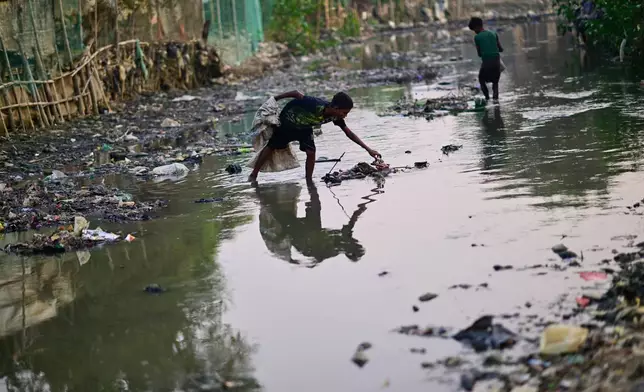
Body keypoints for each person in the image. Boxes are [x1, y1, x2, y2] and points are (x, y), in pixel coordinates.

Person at [248, 91, 381, 182]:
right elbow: (295, 93)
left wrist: (368, 149)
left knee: (311, 152)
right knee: (272, 146)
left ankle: (308, 181)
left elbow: (349, 133)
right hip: (288, 122)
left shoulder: (335, 116)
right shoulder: (314, 103)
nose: (344, 115)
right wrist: (274, 99)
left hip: (305, 128)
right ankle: (254, 174)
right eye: (344, 112)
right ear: (334, 106)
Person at [468, 17, 503, 102]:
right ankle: (496, 102)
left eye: (474, 30)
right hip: (497, 62)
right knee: (495, 82)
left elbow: (479, 54)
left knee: (481, 79)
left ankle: (487, 99)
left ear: (476, 27)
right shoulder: (494, 33)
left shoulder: (477, 37)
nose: (474, 32)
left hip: (487, 62)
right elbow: (501, 49)